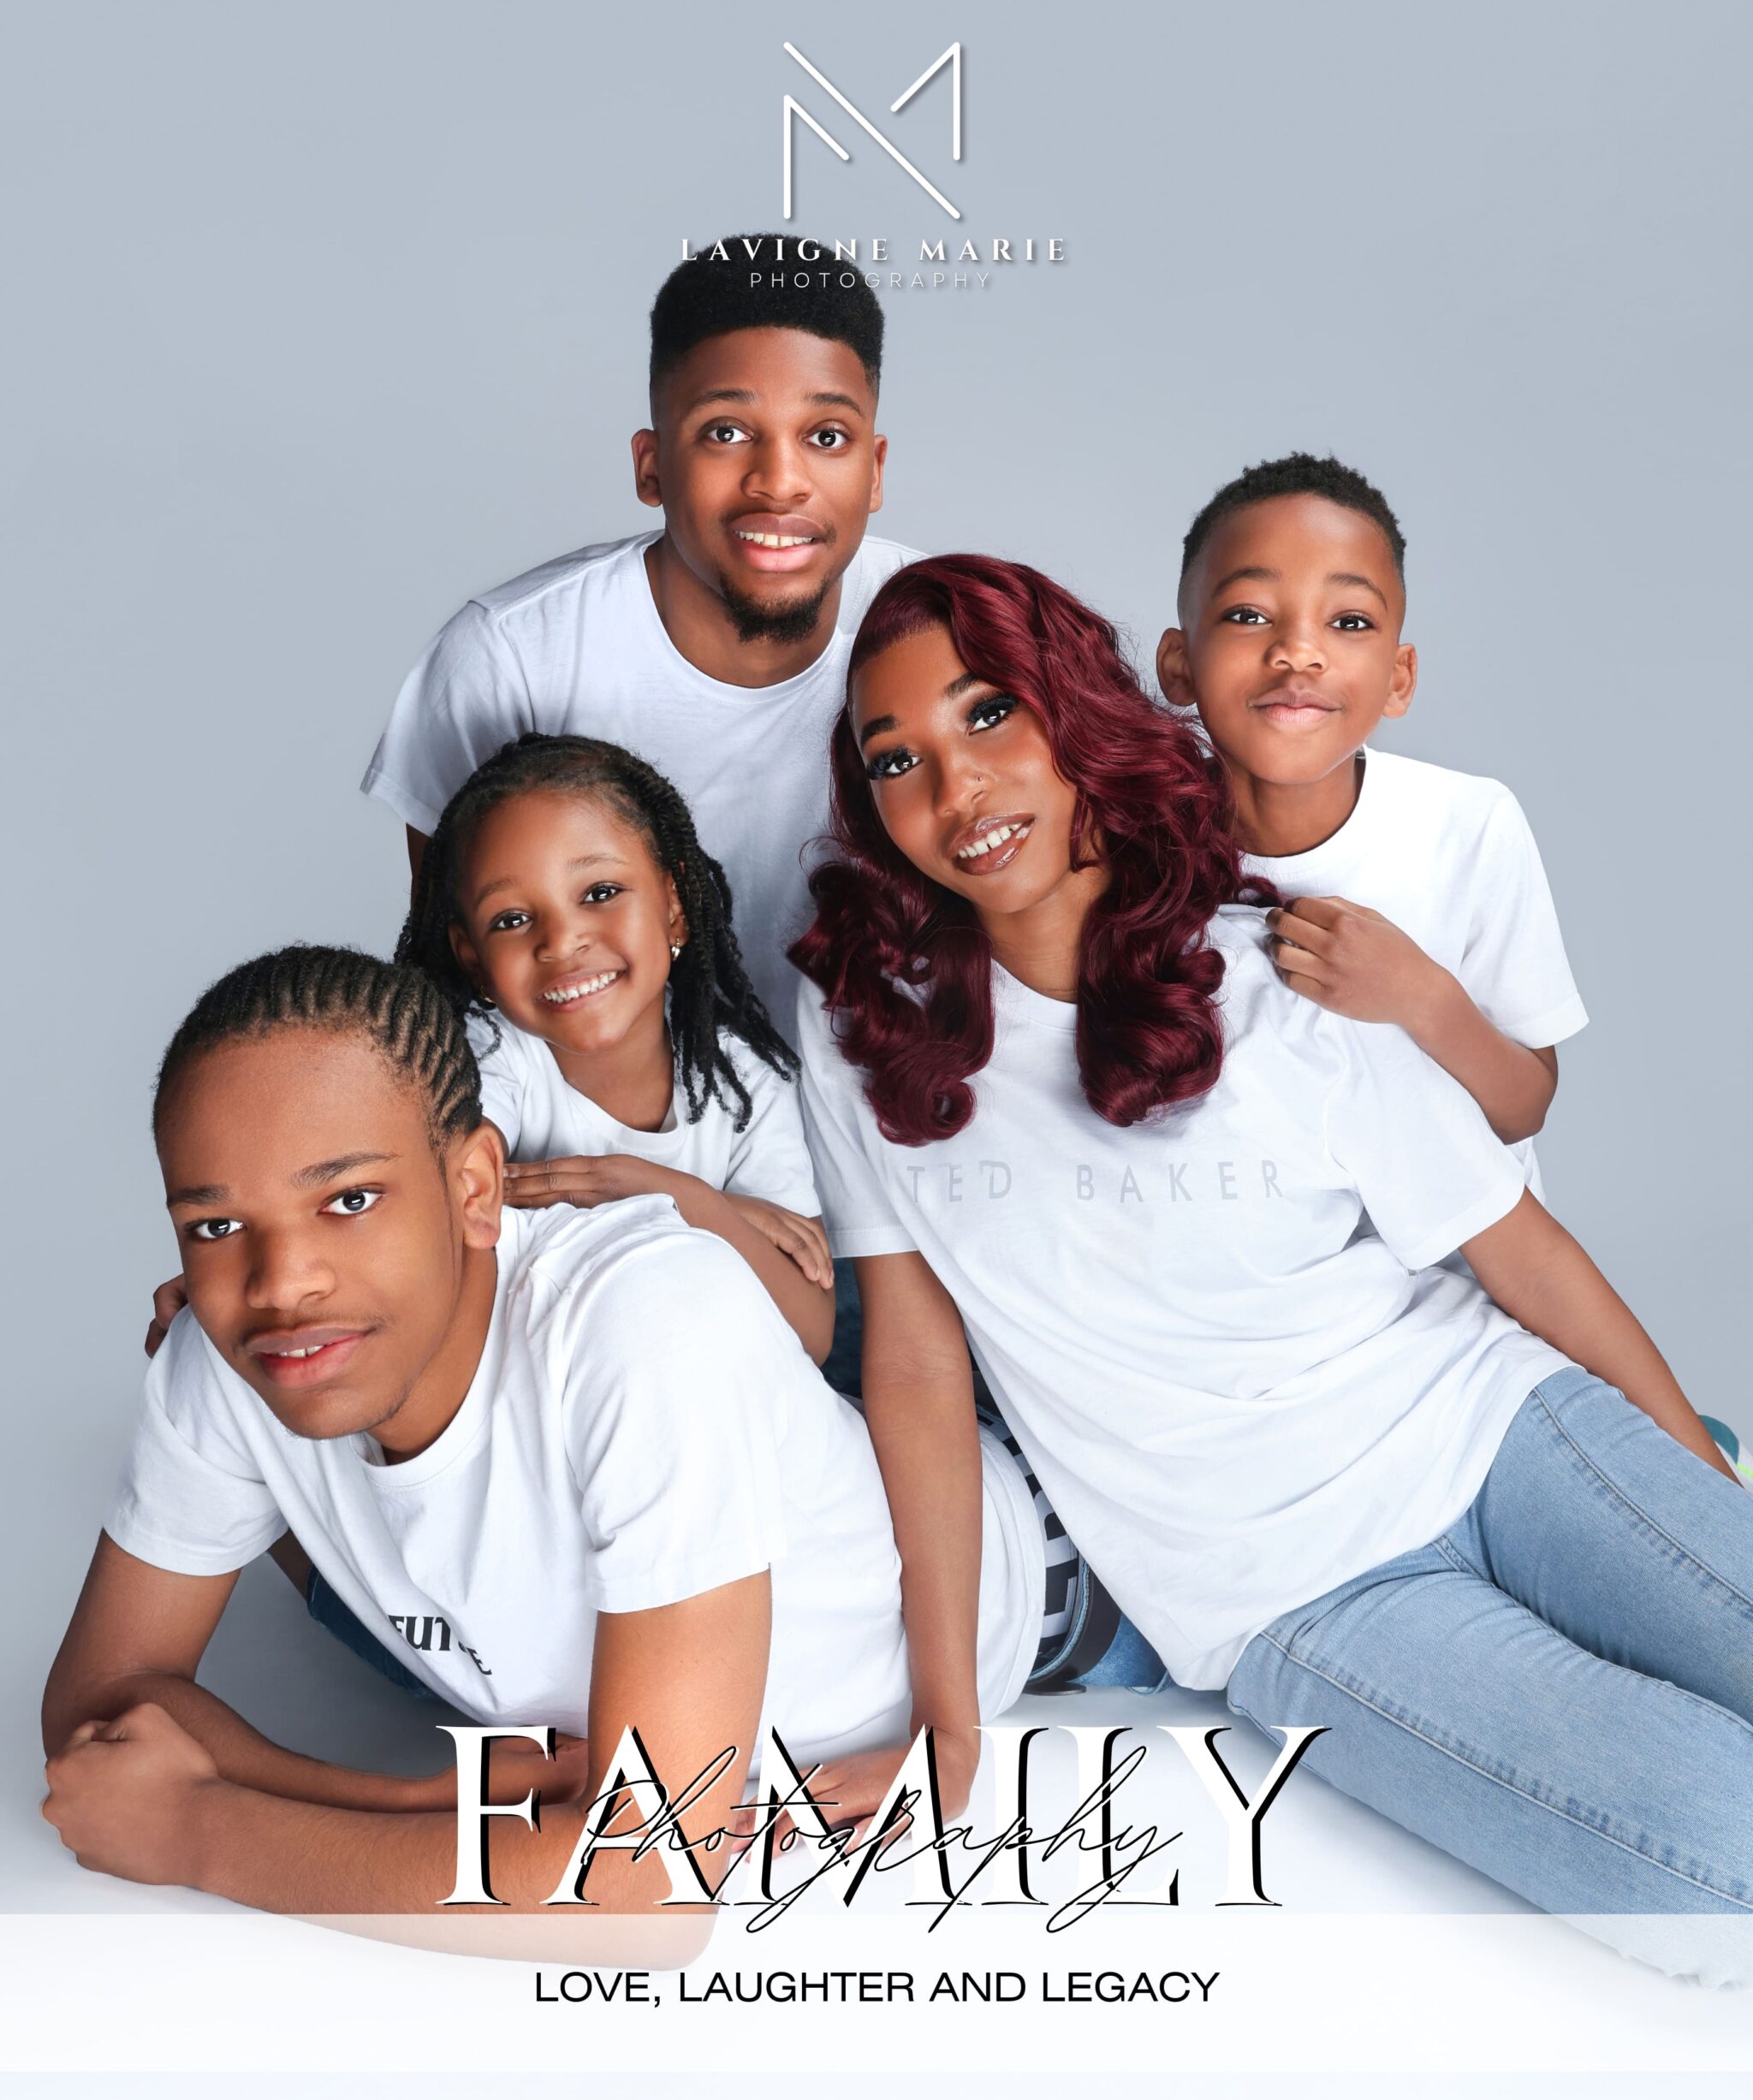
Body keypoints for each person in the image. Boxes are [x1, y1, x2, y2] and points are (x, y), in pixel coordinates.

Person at [789, 553, 1753, 1972]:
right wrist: (951, 1726)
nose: (956, 786)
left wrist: (1699, 1500)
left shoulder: (1266, 972)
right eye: (897, 759)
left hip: (1499, 1434)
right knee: (1719, 1867)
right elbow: (920, 1375)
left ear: (1074, 712)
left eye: (989, 714)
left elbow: (1522, 1255)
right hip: (1289, 1592)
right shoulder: (867, 1030)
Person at [41, 948, 1047, 1925]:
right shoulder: (233, 1348)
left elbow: (643, 1885)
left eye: (348, 1200)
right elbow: (101, 1714)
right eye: (216, 1227)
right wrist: (420, 1797)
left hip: (1040, 1581)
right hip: (521, 1655)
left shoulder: (655, 1322)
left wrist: (201, 1831)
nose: (281, 1283)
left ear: (476, 1186)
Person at [360, 234, 915, 1042]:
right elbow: (462, 980)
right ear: (651, 466)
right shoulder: (509, 660)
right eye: (726, 432)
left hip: (898, 1105)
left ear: (875, 470)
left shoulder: (947, 630)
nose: (779, 481)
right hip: (605, 1117)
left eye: (826, 436)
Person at [1156, 452, 1583, 1190]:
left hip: (1455, 1252)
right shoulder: (1132, 840)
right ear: (1179, 663)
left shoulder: (1468, 825)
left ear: (1398, 678)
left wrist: (1421, 995)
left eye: (1349, 621)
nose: (1298, 652)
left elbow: (1524, 1110)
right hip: (1250, 1243)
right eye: (1248, 615)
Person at [395, 731, 835, 1363]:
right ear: (473, 960)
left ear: (674, 906)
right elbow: (441, 1210)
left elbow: (811, 1334)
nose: (561, 941)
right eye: (512, 920)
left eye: (600, 893)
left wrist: (669, 1194)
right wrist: (722, 1218)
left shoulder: (743, 1080)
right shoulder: (490, 1055)